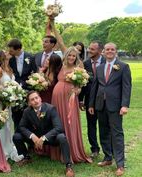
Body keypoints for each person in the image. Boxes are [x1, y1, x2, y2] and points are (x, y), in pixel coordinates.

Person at [89, 42, 132, 176]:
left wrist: (124, 105)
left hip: (116, 106)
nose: (109, 51)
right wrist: (91, 104)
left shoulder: (123, 67)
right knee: (103, 132)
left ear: (116, 51)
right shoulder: (100, 68)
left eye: (112, 49)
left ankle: (120, 164)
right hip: (100, 105)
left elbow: (126, 87)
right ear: (103, 52)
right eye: (107, 49)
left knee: (117, 134)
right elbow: (95, 87)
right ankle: (107, 157)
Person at [13, 91, 74, 177]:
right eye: (32, 99)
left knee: (62, 137)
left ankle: (68, 166)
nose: (35, 101)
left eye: (37, 98)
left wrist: (44, 138)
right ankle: (26, 157)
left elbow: (59, 127)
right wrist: (32, 136)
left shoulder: (50, 108)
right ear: (29, 103)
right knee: (16, 136)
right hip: (35, 139)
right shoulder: (27, 111)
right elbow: (21, 127)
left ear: (40, 98)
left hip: (50, 138)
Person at [51, 47, 92, 163]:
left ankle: (72, 152)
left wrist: (78, 90)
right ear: (66, 55)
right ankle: (58, 151)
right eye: (69, 55)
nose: (71, 57)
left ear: (76, 57)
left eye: (74, 56)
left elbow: (81, 84)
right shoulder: (60, 66)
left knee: (70, 122)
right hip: (57, 97)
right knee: (58, 121)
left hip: (70, 98)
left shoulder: (79, 67)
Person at [0, 50, 23, 162]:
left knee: (9, 124)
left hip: (9, 101)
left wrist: (15, 94)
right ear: (2, 57)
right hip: (1, 101)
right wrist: (4, 96)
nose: (8, 52)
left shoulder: (10, 69)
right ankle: (1, 150)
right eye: (5, 52)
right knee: (2, 124)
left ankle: (9, 148)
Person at [79, 41, 105, 158]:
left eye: (92, 49)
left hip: (105, 99)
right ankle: (94, 149)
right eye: (89, 48)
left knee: (105, 125)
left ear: (99, 51)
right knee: (91, 125)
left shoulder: (106, 62)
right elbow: (82, 83)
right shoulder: (85, 64)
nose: (89, 51)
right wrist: (80, 100)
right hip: (89, 100)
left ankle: (108, 149)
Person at [8, 38, 37, 128]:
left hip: (28, 91)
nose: (9, 51)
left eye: (11, 50)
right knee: (16, 116)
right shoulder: (10, 59)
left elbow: (34, 74)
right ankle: (18, 134)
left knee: (29, 116)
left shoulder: (30, 57)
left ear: (18, 49)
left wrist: (25, 85)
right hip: (15, 93)